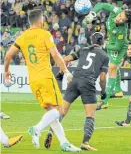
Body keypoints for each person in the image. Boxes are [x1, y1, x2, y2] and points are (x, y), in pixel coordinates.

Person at [3, 9, 81, 152]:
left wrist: (6, 71)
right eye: (43, 19)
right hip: (45, 76)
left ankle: (64, 143)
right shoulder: (45, 34)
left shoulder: (22, 37)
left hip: (33, 80)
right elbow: (55, 54)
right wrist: (66, 71)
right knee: (60, 110)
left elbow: (8, 55)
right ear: (40, 21)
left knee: (52, 113)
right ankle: (37, 128)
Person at [44, 32, 109, 151]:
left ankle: (51, 131)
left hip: (74, 80)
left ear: (91, 40)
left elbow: (66, 59)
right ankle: (85, 142)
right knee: (90, 115)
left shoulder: (83, 49)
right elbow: (103, 78)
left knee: (61, 111)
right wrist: (104, 92)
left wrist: (61, 74)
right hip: (88, 83)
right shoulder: (105, 56)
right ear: (102, 42)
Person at [91, 3, 131, 110]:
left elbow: (117, 47)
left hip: (118, 46)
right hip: (111, 42)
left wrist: (104, 45)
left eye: (122, 20)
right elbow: (102, 5)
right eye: (120, 16)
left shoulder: (122, 30)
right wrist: (93, 13)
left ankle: (105, 101)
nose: (119, 19)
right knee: (114, 67)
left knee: (112, 68)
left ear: (125, 22)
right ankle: (118, 90)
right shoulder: (116, 10)